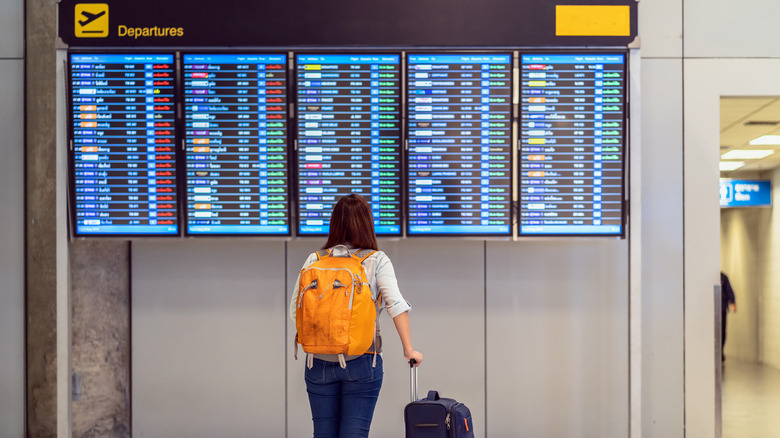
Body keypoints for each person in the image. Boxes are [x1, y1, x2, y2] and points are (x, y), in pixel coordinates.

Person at [290, 193, 423, 438]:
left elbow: (294, 310)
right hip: (363, 361)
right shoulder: (376, 260)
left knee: (323, 433)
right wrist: (409, 349)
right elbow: (396, 304)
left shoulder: (315, 259)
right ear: (367, 223)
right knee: (355, 434)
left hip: (317, 362)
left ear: (335, 223)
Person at [720, 271, 737, 362]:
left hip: (722, 311)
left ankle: (720, 351)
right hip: (709, 313)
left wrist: (732, 302)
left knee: (722, 332)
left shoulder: (723, 277)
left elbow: (729, 291)